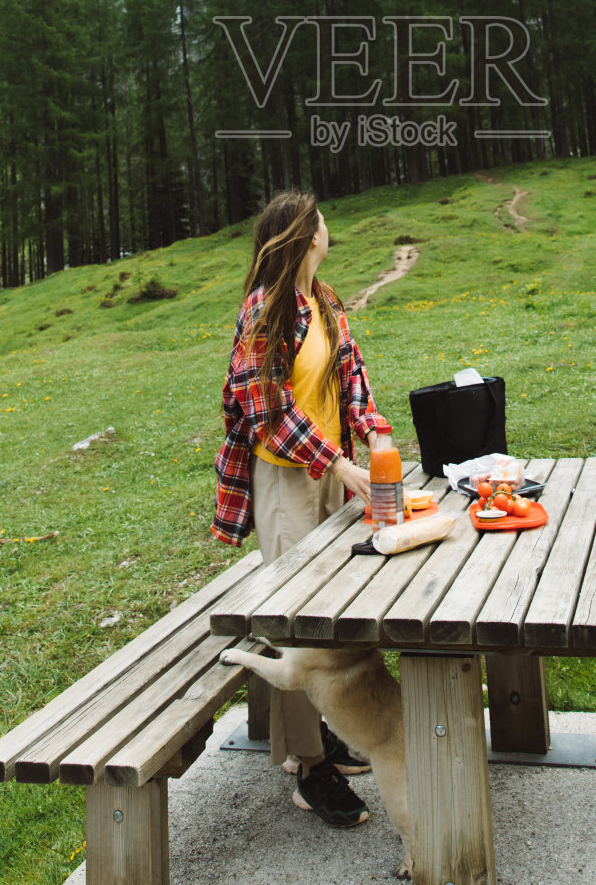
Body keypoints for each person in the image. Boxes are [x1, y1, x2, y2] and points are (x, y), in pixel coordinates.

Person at [212, 189, 385, 828]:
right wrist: (339, 462)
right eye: (321, 220)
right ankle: (309, 769)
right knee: (291, 621)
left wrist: (374, 431)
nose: (329, 227)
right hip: (288, 479)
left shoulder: (325, 299)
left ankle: (323, 734)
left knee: (332, 608)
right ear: (306, 235)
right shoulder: (266, 310)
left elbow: (352, 374)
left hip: (329, 472)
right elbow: (265, 411)